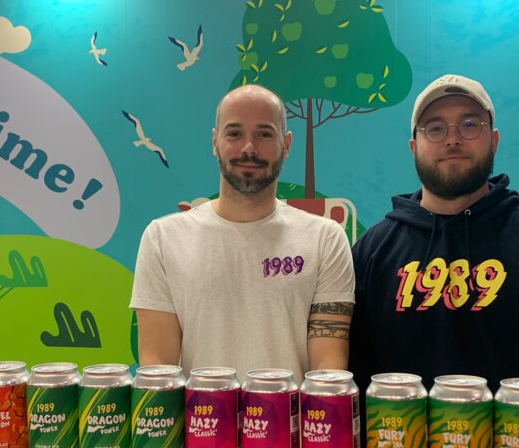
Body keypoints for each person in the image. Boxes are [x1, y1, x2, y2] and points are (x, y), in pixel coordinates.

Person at [349, 74, 519, 448]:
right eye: (436, 127)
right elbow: (357, 376)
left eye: (470, 124)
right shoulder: (373, 249)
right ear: (414, 147)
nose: (453, 138)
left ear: (494, 139)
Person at [130, 84, 355, 381]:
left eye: (264, 134)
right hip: (200, 425)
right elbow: (158, 367)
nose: (249, 148)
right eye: (234, 133)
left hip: (292, 427)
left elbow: (328, 369)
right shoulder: (162, 238)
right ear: (215, 142)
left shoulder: (325, 239)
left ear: (286, 144)